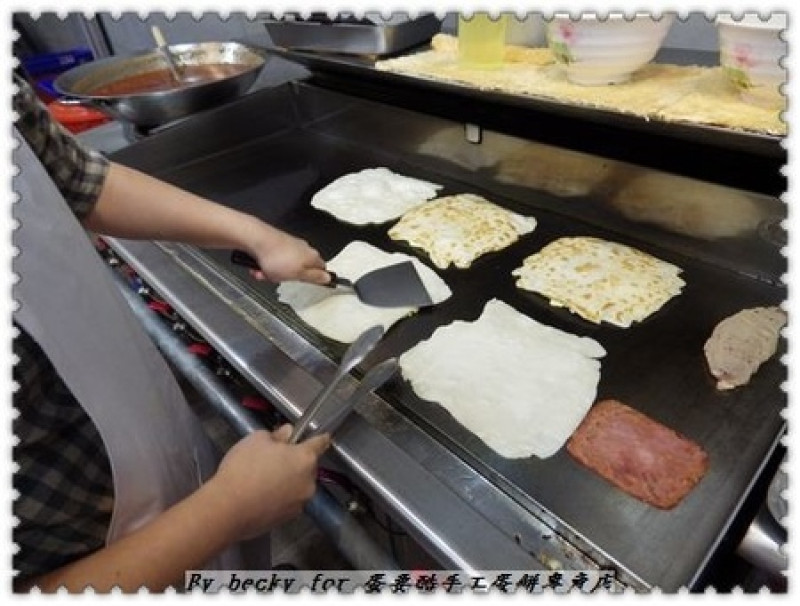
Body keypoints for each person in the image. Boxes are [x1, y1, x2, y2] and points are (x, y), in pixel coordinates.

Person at [12, 73, 332, 592]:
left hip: (144, 429)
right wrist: (228, 509)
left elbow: (77, 177)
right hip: (90, 551)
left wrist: (256, 234)